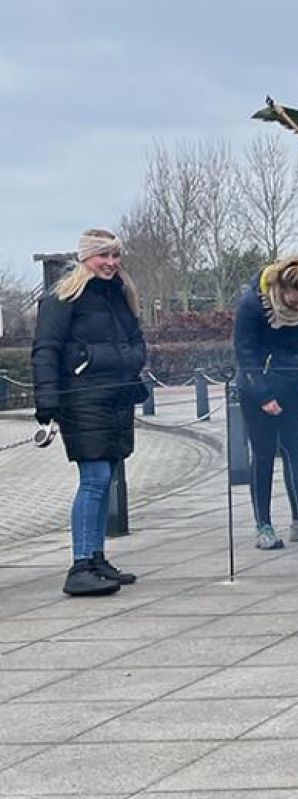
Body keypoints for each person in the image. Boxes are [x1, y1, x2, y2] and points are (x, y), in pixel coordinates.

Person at [30, 229, 145, 596]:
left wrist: (134, 360)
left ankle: (95, 557)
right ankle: (80, 563)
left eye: (115, 256)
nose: (111, 263)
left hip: (116, 396)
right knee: (94, 478)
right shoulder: (64, 298)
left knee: (105, 476)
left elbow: (134, 338)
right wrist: (47, 402)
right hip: (82, 398)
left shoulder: (120, 295)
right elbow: (45, 349)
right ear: (86, 258)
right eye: (103, 256)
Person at [233, 255, 298, 549]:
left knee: (294, 451)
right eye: (293, 301)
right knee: (263, 455)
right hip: (257, 386)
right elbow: (244, 351)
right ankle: (264, 525)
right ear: (280, 288)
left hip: (293, 383)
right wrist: (263, 394)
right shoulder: (253, 304)